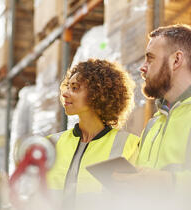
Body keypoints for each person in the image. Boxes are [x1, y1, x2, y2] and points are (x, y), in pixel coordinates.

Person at [112, 24, 191, 201]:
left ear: (176, 60)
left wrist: (168, 182)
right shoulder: (153, 124)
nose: (143, 67)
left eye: (150, 58)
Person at [45, 59, 140, 208]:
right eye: (67, 87)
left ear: (98, 93)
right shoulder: (51, 144)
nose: (65, 94)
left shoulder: (129, 145)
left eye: (75, 88)